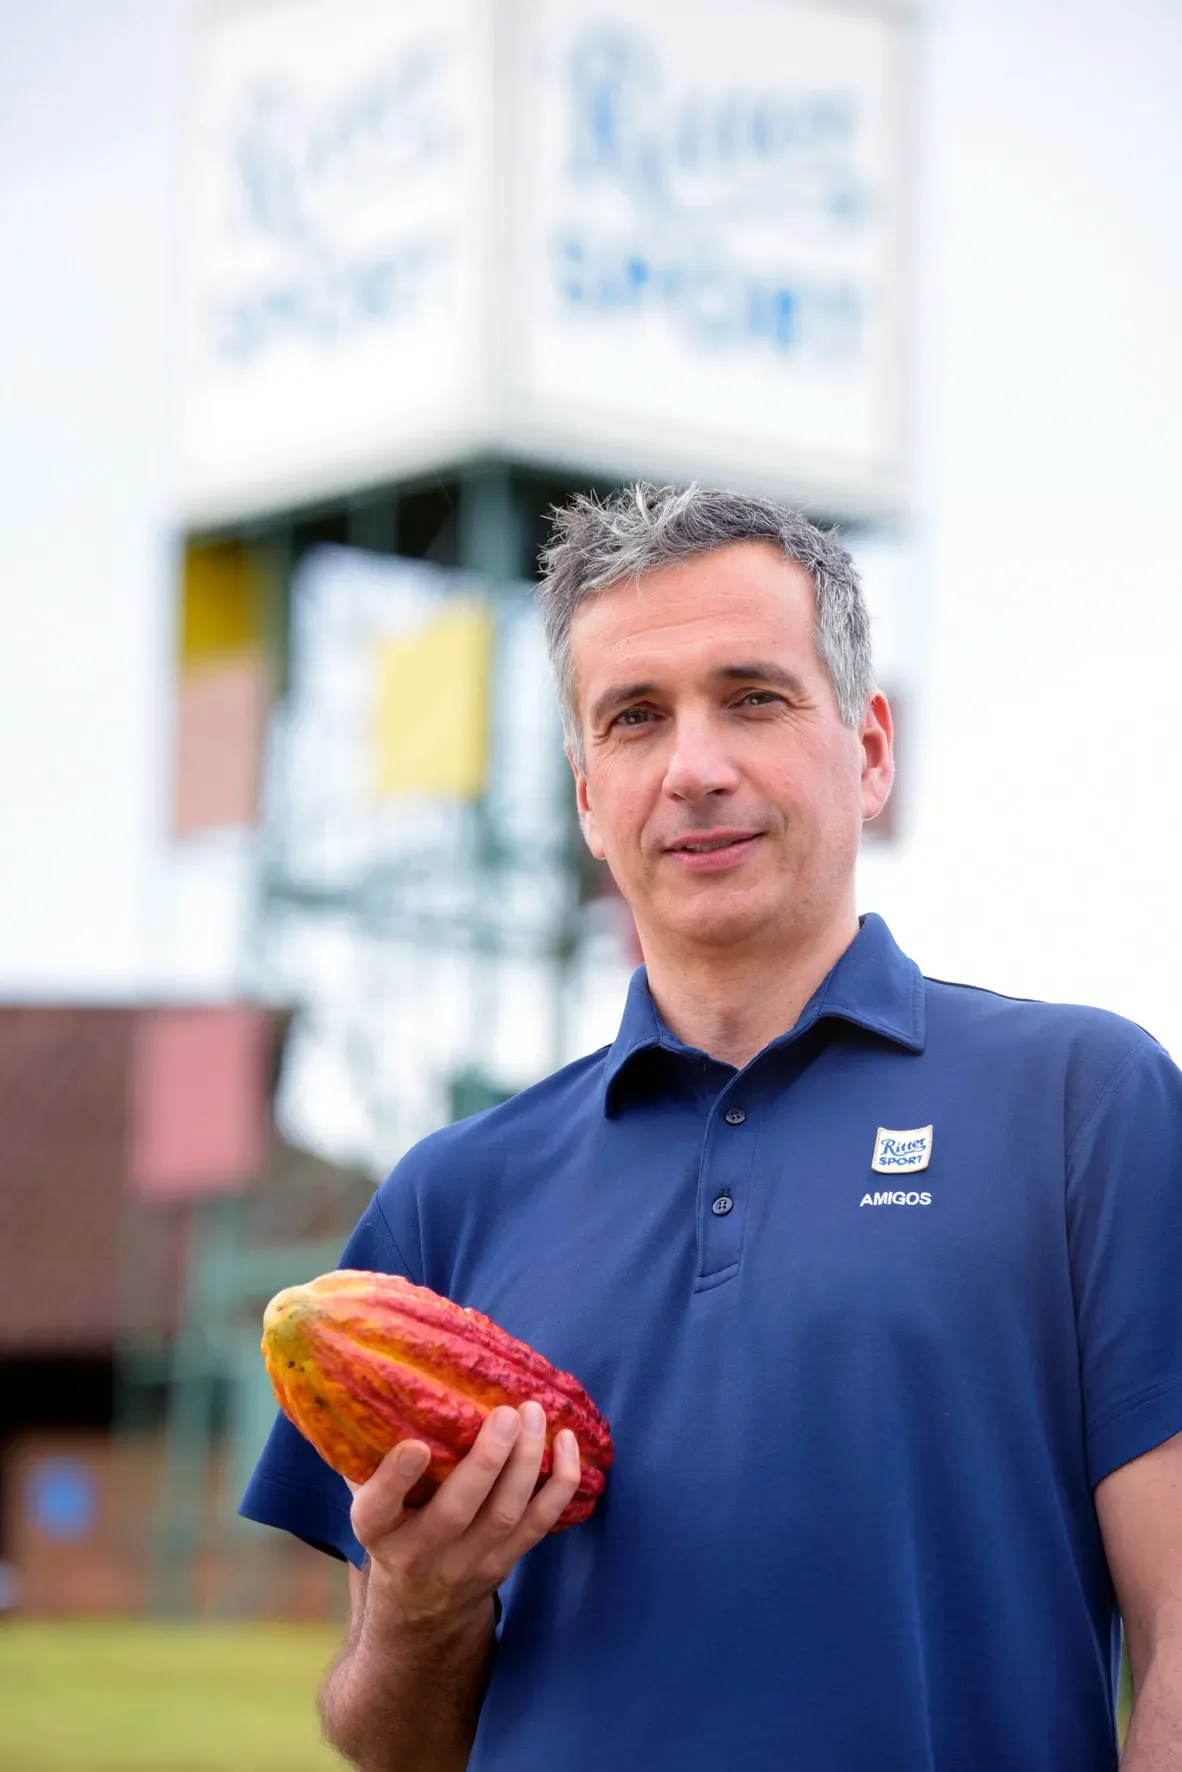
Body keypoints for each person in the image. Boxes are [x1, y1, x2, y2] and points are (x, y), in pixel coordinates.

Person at [241, 484, 1182, 1772]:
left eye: (753, 696)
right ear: (587, 795)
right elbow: (393, 1741)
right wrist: (419, 1610)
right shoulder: (447, 1196)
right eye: (636, 718)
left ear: (869, 749)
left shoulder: (1085, 1102)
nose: (695, 767)